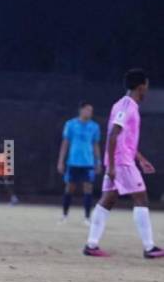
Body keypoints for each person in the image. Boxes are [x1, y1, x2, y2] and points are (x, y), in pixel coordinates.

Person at [84, 69, 163, 258]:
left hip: (120, 160)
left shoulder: (123, 104)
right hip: (121, 163)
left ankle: (91, 245)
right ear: (141, 86)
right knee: (141, 198)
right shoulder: (126, 106)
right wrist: (112, 166)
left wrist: (141, 159)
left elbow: (124, 139)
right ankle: (149, 247)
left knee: (108, 200)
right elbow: (113, 135)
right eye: (146, 87)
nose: (147, 91)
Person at [57, 102, 101, 224]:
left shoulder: (95, 127)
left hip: (88, 163)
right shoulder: (70, 124)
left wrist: (98, 161)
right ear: (81, 110)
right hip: (73, 162)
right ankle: (64, 215)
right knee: (70, 188)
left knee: (88, 188)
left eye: (91, 110)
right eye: (87, 110)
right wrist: (61, 161)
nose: (89, 113)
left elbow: (96, 144)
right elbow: (65, 143)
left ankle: (87, 217)